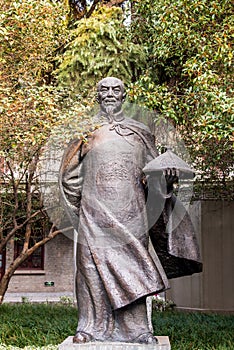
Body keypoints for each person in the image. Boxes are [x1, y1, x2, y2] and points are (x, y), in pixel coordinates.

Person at [59, 77, 202, 344]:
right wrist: (82, 211)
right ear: (97, 96)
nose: (110, 94)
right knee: (91, 269)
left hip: (133, 216)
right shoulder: (84, 131)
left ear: (124, 96)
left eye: (116, 90)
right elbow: (69, 177)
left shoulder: (140, 132)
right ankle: (90, 328)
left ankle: (137, 330)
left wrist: (167, 179)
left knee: (133, 268)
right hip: (94, 216)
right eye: (104, 90)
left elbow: (153, 176)